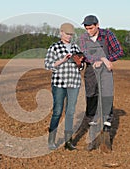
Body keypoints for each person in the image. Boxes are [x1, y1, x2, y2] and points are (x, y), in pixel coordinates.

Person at [79, 15, 124, 147]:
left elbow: (119, 51)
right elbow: (85, 53)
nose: (89, 31)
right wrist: (98, 60)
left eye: (91, 28)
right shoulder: (83, 38)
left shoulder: (107, 35)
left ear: (97, 25)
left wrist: (106, 59)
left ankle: (106, 131)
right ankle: (92, 134)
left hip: (106, 71)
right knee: (91, 96)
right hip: (91, 71)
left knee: (107, 96)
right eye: (86, 28)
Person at [44, 23, 83, 151]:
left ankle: (68, 142)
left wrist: (79, 63)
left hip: (74, 83)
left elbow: (81, 67)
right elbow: (48, 65)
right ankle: (51, 140)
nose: (69, 36)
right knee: (57, 111)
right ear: (61, 32)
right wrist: (63, 60)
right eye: (67, 34)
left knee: (70, 112)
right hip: (59, 83)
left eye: (71, 34)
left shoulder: (75, 47)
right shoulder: (54, 47)